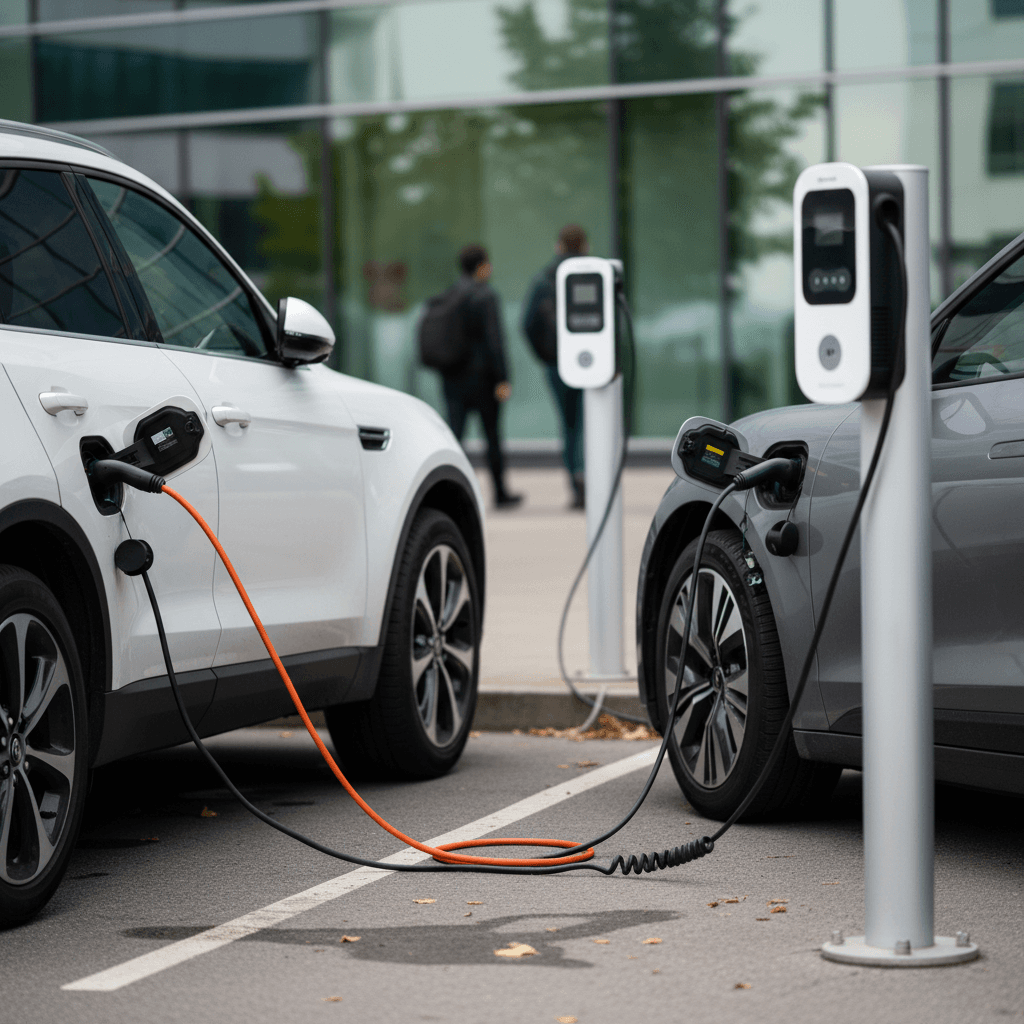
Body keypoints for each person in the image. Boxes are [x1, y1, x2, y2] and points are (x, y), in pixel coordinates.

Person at [441, 244, 522, 509]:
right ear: (482, 266)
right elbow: (494, 341)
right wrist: (503, 378)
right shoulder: (486, 296)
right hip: (483, 379)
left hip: (453, 379)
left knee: (455, 439)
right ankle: (499, 493)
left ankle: (449, 495)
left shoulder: (450, 294)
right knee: (492, 437)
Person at [522, 224, 587, 509]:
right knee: (591, 423)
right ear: (584, 245)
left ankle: (576, 483)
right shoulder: (594, 274)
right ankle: (592, 478)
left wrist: (546, 355)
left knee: (570, 425)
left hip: (558, 363)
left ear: (559, 245)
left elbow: (527, 324)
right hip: (591, 361)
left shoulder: (544, 279)